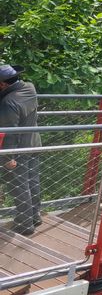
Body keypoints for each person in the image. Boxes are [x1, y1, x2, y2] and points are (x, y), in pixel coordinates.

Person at [0, 64, 42, 236]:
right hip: (34, 143)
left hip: (18, 150)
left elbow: (8, 133)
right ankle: (35, 216)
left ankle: (24, 225)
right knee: (32, 181)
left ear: (3, 84)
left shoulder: (9, 102)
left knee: (19, 186)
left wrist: (8, 158)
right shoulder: (29, 88)